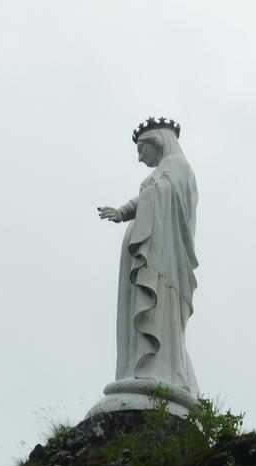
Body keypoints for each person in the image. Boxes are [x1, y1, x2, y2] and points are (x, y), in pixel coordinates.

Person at [95, 118, 200, 411]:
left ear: (158, 141)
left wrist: (133, 208)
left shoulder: (178, 166)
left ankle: (156, 374)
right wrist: (124, 212)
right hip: (150, 254)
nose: (140, 158)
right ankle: (138, 372)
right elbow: (151, 193)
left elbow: (159, 193)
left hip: (161, 258)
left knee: (157, 311)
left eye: (142, 149)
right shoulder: (167, 170)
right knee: (141, 313)